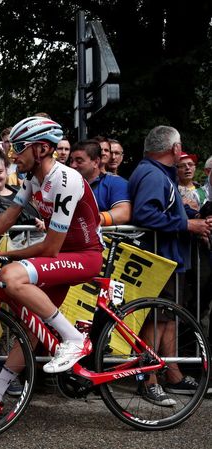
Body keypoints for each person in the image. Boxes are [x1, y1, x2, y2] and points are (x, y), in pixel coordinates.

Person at [0, 116, 104, 414]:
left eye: (19, 148)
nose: (13, 156)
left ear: (41, 149)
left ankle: (75, 340)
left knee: (12, 275)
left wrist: (3, 256)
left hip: (85, 255)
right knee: (31, 324)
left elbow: (50, 248)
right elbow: (10, 214)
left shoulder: (65, 180)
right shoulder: (34, 180)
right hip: (64, 257)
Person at [128, 126, 212, 405]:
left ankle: (172, 374)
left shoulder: (158, 173)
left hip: (170, 259)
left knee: (168, 318)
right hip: (160, 259)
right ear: (174, 149)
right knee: (155, 319)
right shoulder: (153, 174)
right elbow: (145, 213)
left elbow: (167, 208)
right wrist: (187, 224)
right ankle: (148, 380)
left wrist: (193, 216)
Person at [0, 147, 45, 243]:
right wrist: (31, 220)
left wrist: (42, 222)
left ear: (6, 171)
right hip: (6, 251)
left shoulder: (19, 190)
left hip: (38, 246)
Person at [69, 140, 131, 225]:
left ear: (96, 162)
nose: (73, 165)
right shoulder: (67, 184)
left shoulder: (115, 183)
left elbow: (124, 213)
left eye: (79, 161)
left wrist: (94, 219)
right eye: (71, 161)